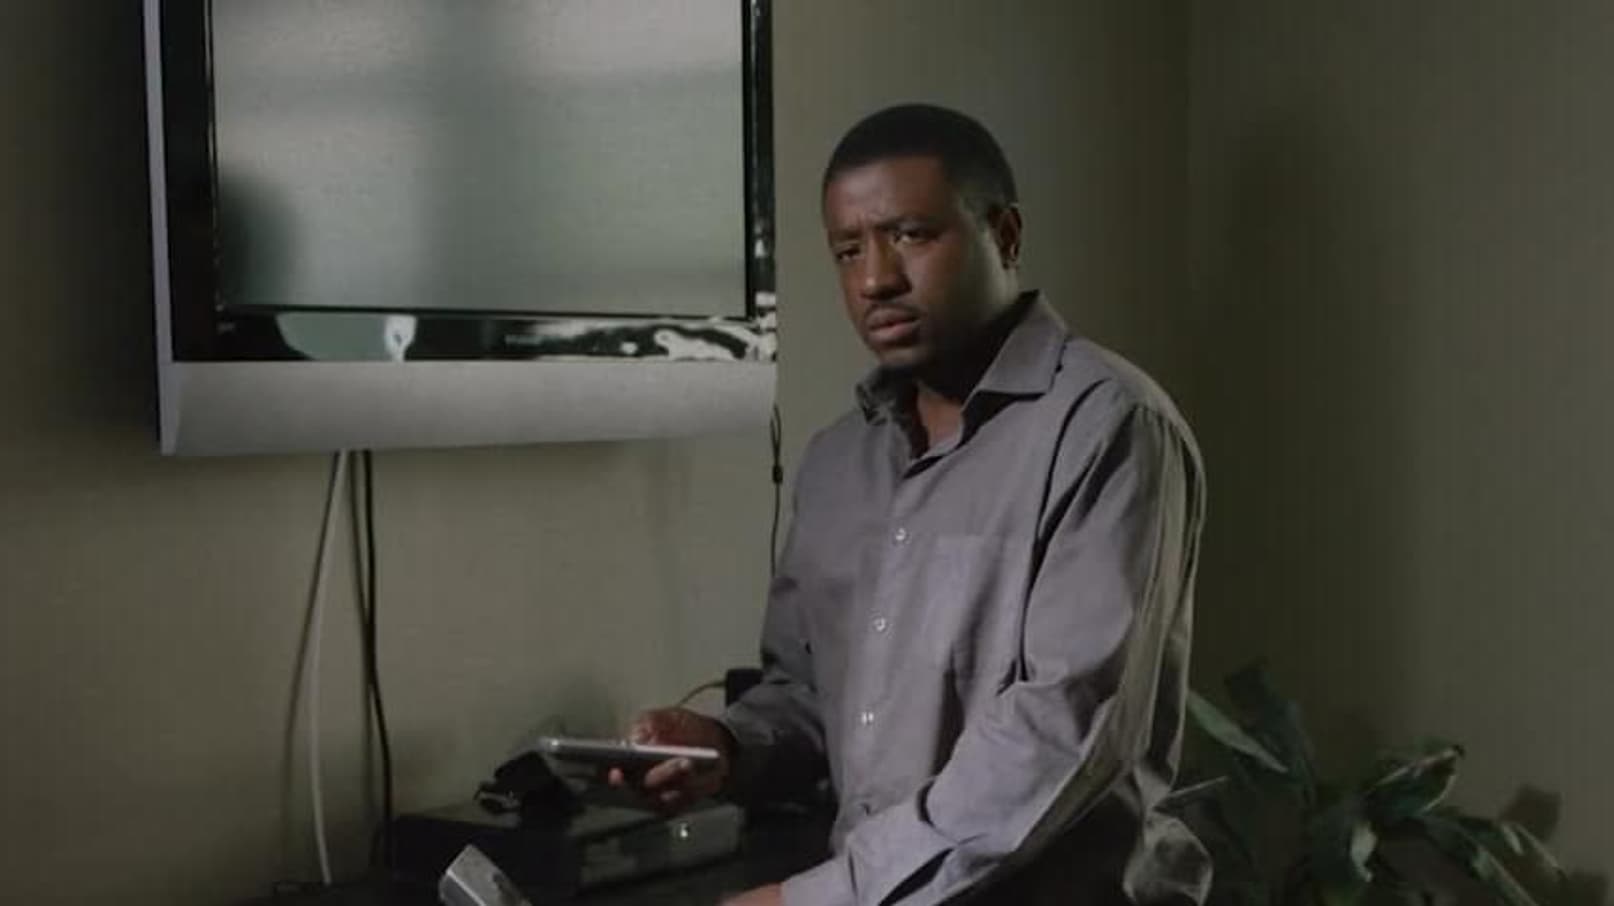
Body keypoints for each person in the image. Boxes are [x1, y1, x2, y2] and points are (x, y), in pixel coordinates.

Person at [611, 103, 1209, 906]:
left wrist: (819, 899)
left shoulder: (1109, 427)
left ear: (1005, 235)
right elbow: (812, 696)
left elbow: (1062, 731)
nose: (875, 279)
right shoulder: (836, 464)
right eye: (848, 250)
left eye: (911, 235)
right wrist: (724, 745)